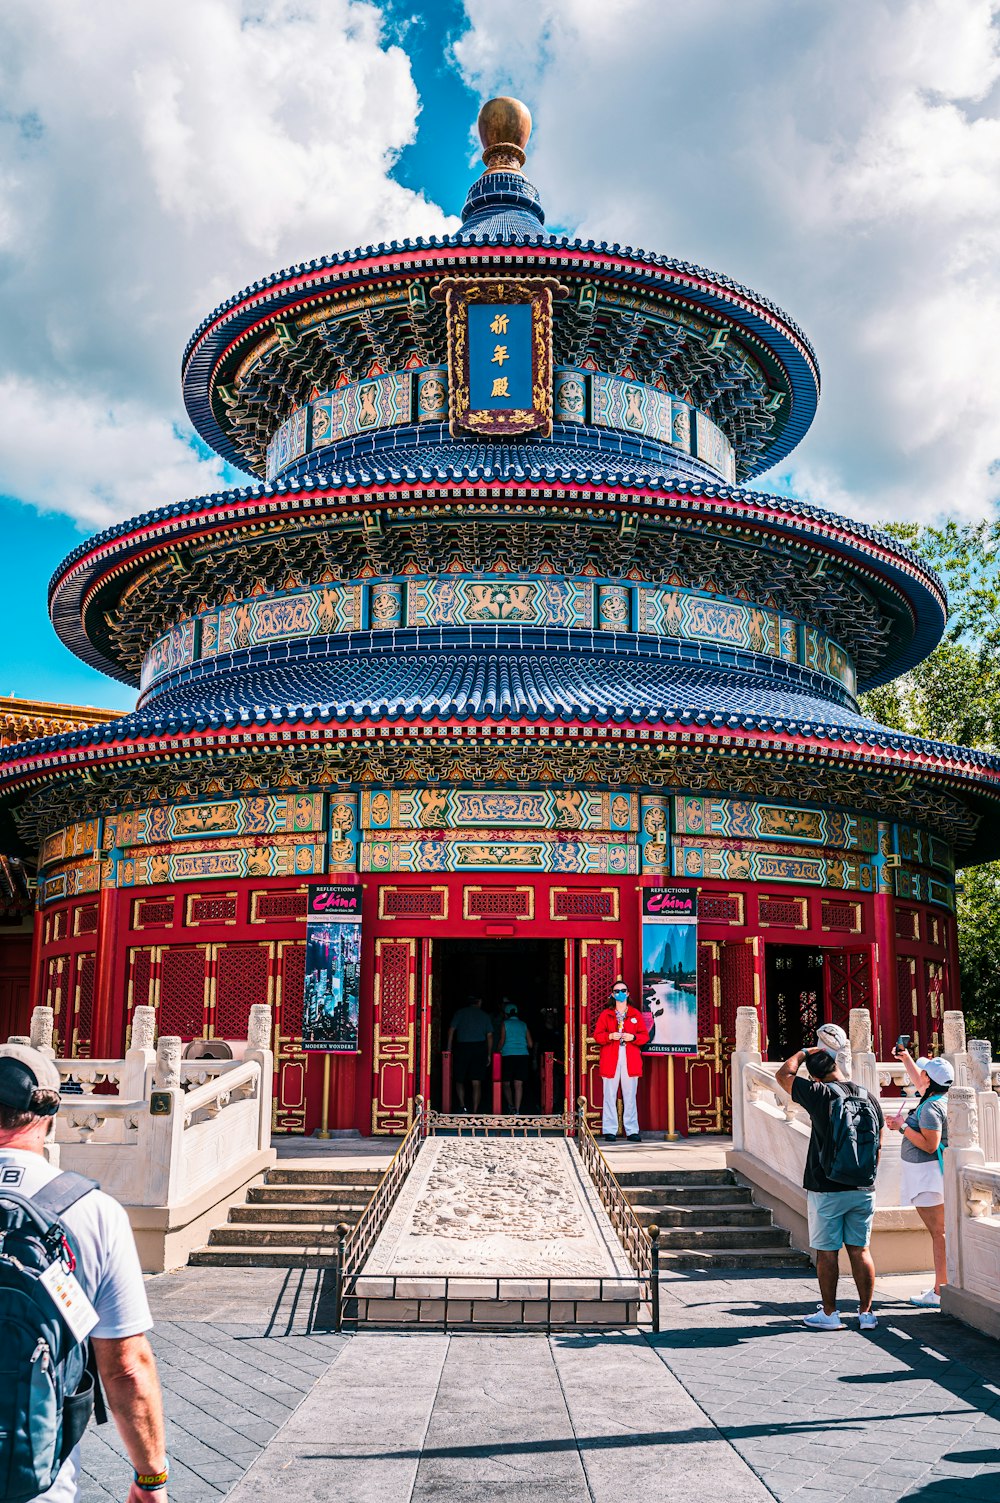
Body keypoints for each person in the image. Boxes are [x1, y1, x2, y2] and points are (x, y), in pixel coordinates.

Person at [0, 1043, 168, 1503]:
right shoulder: (91, 1212)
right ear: (49, 1111)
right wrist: (150, 1477)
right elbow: (126, 1368)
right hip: (29, 1473)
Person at [775, 1030, 885, 1331]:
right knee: (860, 1250)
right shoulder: (868, 1096)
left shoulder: (820, 1094)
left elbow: (783, 1074)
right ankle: (866, 1314)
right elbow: (878, 1144)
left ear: (815, 1077)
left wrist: (804, 1052)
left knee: (827, 1251)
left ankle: (830, 1313)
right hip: (864, 1187)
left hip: (827, 1186)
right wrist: (864, 1176)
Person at [886, 1048, 953, 1308]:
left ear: (929, 1078)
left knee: (939, 1234)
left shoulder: (930, 1108)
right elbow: (920, 1083)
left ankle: (940, 1290)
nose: (919, 1075)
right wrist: (906, 1059)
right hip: (928, 1176)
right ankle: (941, 1284)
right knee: (940, 1233)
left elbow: (929, 1144)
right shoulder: (938, 1098)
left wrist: (901, 1126)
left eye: (922, 1073)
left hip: (927, 1177)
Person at [593, 978, 649, 1143]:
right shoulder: (606, 1014)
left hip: (629, 1057)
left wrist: (633, 1037)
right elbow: (597, 1036)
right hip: (611, 1056)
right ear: (612, 994)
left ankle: (632, 1130)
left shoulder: (635, 1014)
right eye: (617, 991)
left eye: (623, 991)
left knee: (630, 1095)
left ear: (628, 993)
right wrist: (610, 1036)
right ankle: (610, 1130)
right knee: (609, 1094)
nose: (620, 994)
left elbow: (644, 1036)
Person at [446, 995, 493, 1112]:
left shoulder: (460, 1013)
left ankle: (462, 1106)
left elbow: (451, 1030)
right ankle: (475, 1110)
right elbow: (490, 1036)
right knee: (476, 1081)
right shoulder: (484, 1015)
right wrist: (488, 1053)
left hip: (462, 1047)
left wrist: (449, 1048)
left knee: (459, 1079)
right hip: (479, 1048)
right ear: (479, 1001)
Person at [498, 1004, 534, 1114]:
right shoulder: (523, 1025)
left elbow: (502, 1041)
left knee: (506, 1083)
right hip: (522, 1056)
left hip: (508, 1055)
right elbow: (531, 1044)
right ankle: (517, 1111)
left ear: (506, 1014)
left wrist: (496, 1050)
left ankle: (511, 1106)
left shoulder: (505, 1024)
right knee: (518, 1084)